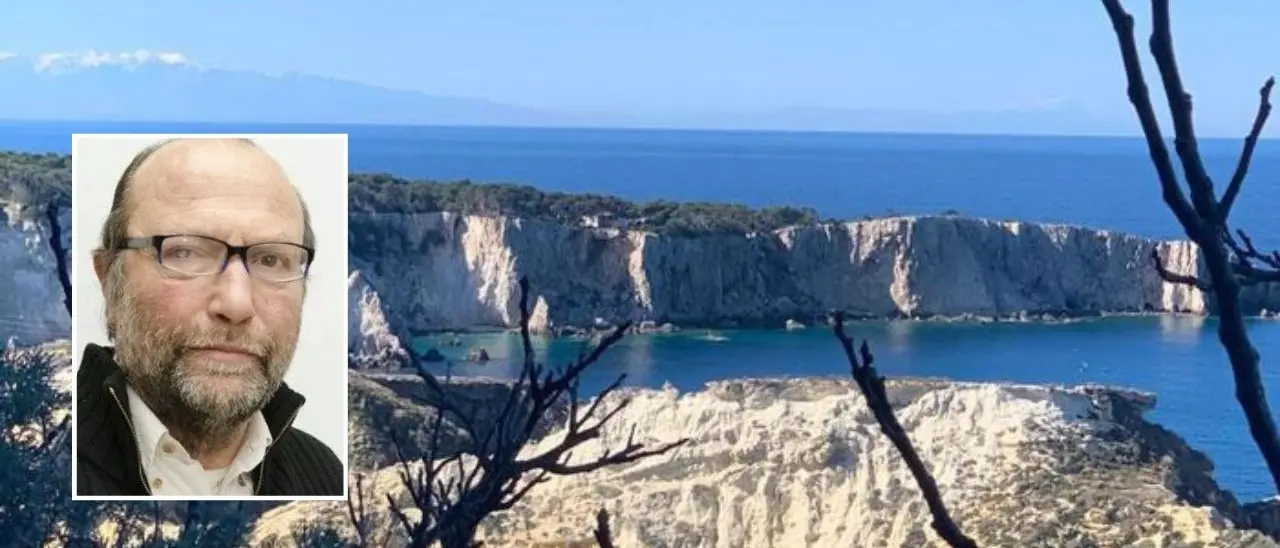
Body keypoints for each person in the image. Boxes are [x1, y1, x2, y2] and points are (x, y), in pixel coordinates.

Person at [75, 137, 344, 497]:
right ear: (109, 280)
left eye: (270, 260)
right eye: (185, 252)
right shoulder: (37, 462)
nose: (236, 305)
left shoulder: (321, 474)